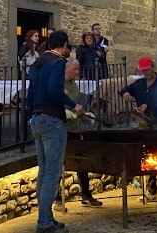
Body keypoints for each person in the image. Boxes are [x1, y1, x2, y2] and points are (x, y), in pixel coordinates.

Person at [27, 30, 84, 233]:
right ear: (64, 45)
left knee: (44, 172)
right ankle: (44, 223)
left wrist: (30, 115)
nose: (69, 50)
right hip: (52, 121)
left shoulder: (38, 63)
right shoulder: (58, 62)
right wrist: (73, 105)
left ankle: (47, 217)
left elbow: (30, 93)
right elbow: (53, 89)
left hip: (36, 119)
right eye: (69, 46)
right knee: (52, 173)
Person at [120, 57, 157, 206]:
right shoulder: (139, 84)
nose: (146, 72)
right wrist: (125, 94)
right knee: (147, 158)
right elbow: (124, 90)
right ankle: (151, 191)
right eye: (143, 70)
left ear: (153, 67)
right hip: (144, 126)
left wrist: (149, 106)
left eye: (148, 69)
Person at [53, 57, 103, 212]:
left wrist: (85, 115)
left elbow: (76, 107)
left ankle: (86, 195)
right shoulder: (57, 83)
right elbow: (54, 102)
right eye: (74, 69)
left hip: (75, 129)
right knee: (59, 165)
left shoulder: (73, 85)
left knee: (81, 163)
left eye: (78, 69)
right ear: (66, 68)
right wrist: (65, 112)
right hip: (62, 130)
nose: (77, 72)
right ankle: (56, 199)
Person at [76, 32, 101, 111]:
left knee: (92, 94)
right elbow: (79, 62)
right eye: (87, 38)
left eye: (91, 38)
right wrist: (82, 75)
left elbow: (102, 60)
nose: (89, 40)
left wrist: (100, 56)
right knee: (85, 94)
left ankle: (88, 110)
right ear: (84, 39)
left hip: (95, 73)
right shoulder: (81, 49)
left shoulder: (96, 48)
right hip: (86, 73)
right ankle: (83, 111)